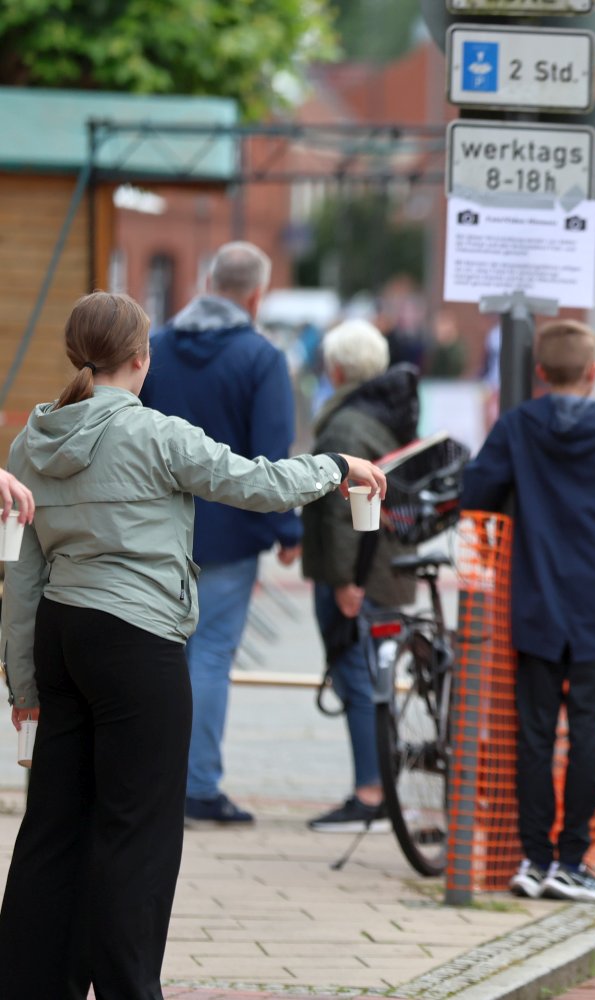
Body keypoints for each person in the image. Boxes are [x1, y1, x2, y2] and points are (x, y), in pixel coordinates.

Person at [0, 291, 384, 999]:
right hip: (135, 639)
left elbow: (20, 574)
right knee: (137, 831)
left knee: (52, 827)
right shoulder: (155, 434)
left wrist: (23, 685)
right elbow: (258, 484)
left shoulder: (31, 441)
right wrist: (334, 466)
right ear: (140, 358)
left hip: (60, 633)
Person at [462, 320, 595, 902]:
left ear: (541, 372)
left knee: (534, 734)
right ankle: (572, 860)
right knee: (591, 730)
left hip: (534, 599)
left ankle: (531, 858)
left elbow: (476, 494)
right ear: (594, 372)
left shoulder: (517, 426)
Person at [139, 240, 300, 826]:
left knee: (161, 655)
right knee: (209, 656)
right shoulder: (261, 357)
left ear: (208, 283)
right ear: (256, 296)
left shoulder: (155, 348)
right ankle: (199, 787)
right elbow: (272, 449)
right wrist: (286, 527)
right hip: (231, 532)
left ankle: (153, 784)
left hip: (158, 530)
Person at [301, 320, 420, 833]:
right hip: (387, 568)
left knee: (357, 676)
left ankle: (370, 793)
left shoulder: (346, 425)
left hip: (360, 575)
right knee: (374, 678)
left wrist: (346, 581)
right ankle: (380, 790)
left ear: (337, 369)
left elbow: (342, 513)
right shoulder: (385, 410)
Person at [425, 310, 470, 379]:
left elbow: (456, 370)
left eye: (441, 325)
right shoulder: (436, 347)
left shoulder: (458, 347)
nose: (438, 329)